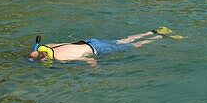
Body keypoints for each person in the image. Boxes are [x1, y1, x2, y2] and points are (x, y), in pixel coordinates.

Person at [29, 28, 182, 64]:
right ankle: (151, 31)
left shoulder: (60, 58)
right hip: (89, 41)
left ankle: (159, 37)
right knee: (123, 40)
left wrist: (95, 71)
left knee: (132, 47)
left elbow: (89, 60)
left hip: (96, 49)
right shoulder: (47, 46)